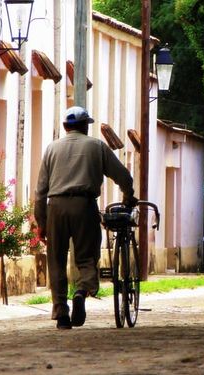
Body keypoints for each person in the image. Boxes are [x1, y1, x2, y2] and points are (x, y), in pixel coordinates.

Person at [35, 106, 136, 329]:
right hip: (84, 205)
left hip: (56, 206)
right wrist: (129, 197)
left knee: (56, 261)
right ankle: (81, 291)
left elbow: (40, 190)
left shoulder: (52, 149)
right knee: (87, 258)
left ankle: (61, 314)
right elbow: (123, 177)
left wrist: (41, 222)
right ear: (85, 126)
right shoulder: (97, 146)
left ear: (65, 126)